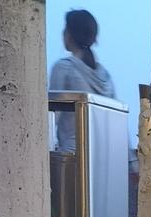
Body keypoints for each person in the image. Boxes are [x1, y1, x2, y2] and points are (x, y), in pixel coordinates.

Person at [49, 9, 117, 154]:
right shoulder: (105, 75)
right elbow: (116, 124)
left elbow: (51, 117)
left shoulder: (64, 68)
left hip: (72, 159)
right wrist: (133, 163)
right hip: (103, 156)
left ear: (70, 35)